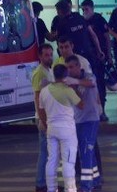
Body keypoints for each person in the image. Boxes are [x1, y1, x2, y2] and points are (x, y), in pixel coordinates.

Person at [39, 64, 84, 192]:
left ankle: (51, 189)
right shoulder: (68, 90)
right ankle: (70, 189)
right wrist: (74, 88)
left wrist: (46, 124)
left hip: (51, 129)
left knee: (51, 160)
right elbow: (81, 105)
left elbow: (41, 110)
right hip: (67, 131)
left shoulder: (44, 91)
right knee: (68, 162)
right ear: (65, 76)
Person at [66, 55, 103, 192]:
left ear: (78, 66)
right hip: (78, 120)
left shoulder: (88, 76)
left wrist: (74, 81)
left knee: (86, 152)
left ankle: (86, 186)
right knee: (88, 152)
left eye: (71, 67)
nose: (69, 70)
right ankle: (96, 180)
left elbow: (90, 83)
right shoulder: (72, 83)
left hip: (91, 119)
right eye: (67, 68)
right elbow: (78, 101)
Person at [81, 0, 109, 121]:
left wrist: (109, 55)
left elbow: (106, 37)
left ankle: (102, 110)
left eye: (86, 9)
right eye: (83, 9)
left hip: (100, 57)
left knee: (100, 84)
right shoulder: (81, 22)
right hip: (88, 58)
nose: (84, 12)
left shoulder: (99, 19)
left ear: (92, 9)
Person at [32, 44, 55, 192]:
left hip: (49, 117)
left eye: (50, 54)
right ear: (40, 56)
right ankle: (40, 184)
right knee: (45, 153)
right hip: (43, 118)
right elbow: (38, 97)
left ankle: (44, 183)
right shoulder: (39, 73)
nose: (49, 57)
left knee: (48, 154)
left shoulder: (49, 70)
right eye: (46, 55)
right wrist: (43, 120)